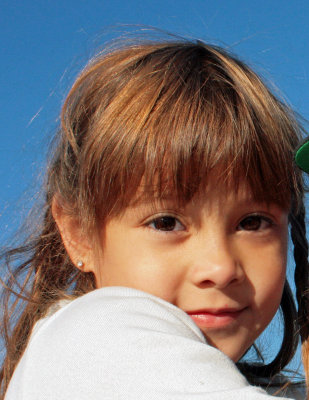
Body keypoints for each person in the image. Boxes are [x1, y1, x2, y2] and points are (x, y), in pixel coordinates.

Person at [1, 37, 309, 399]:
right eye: (166, 223)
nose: (221, 267)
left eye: (252, 222)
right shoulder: (94, 338)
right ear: (78, 232)